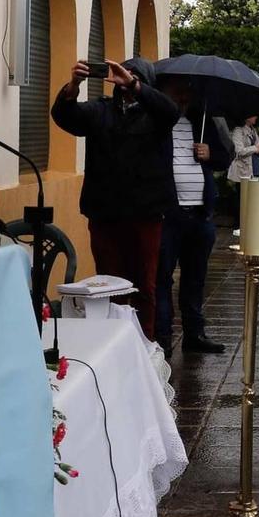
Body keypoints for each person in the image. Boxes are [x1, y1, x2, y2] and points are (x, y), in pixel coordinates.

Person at [51, 55, 178, 340]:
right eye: (120, 74)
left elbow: (170, 111)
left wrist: (133, 84)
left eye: (133, 76)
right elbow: (65, 116)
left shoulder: (156, 114)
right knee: (109, 283)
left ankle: (145, 344)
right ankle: (114, 343)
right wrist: (74, 84)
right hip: (105, 213)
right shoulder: (101, 110)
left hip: (146, 214)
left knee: (145, 285)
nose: (122, 79)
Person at [153, 75, 231, 356]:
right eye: (177, 92)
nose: (182, 98)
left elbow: (225, 157)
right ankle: (162, 337)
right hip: (168, 216)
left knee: (196, 278)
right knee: (162, 278)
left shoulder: (202, 121)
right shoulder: (158, 122)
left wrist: (210, 153)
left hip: (199, 215)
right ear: (163, 92)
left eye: (186, 93)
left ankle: (194, 334)